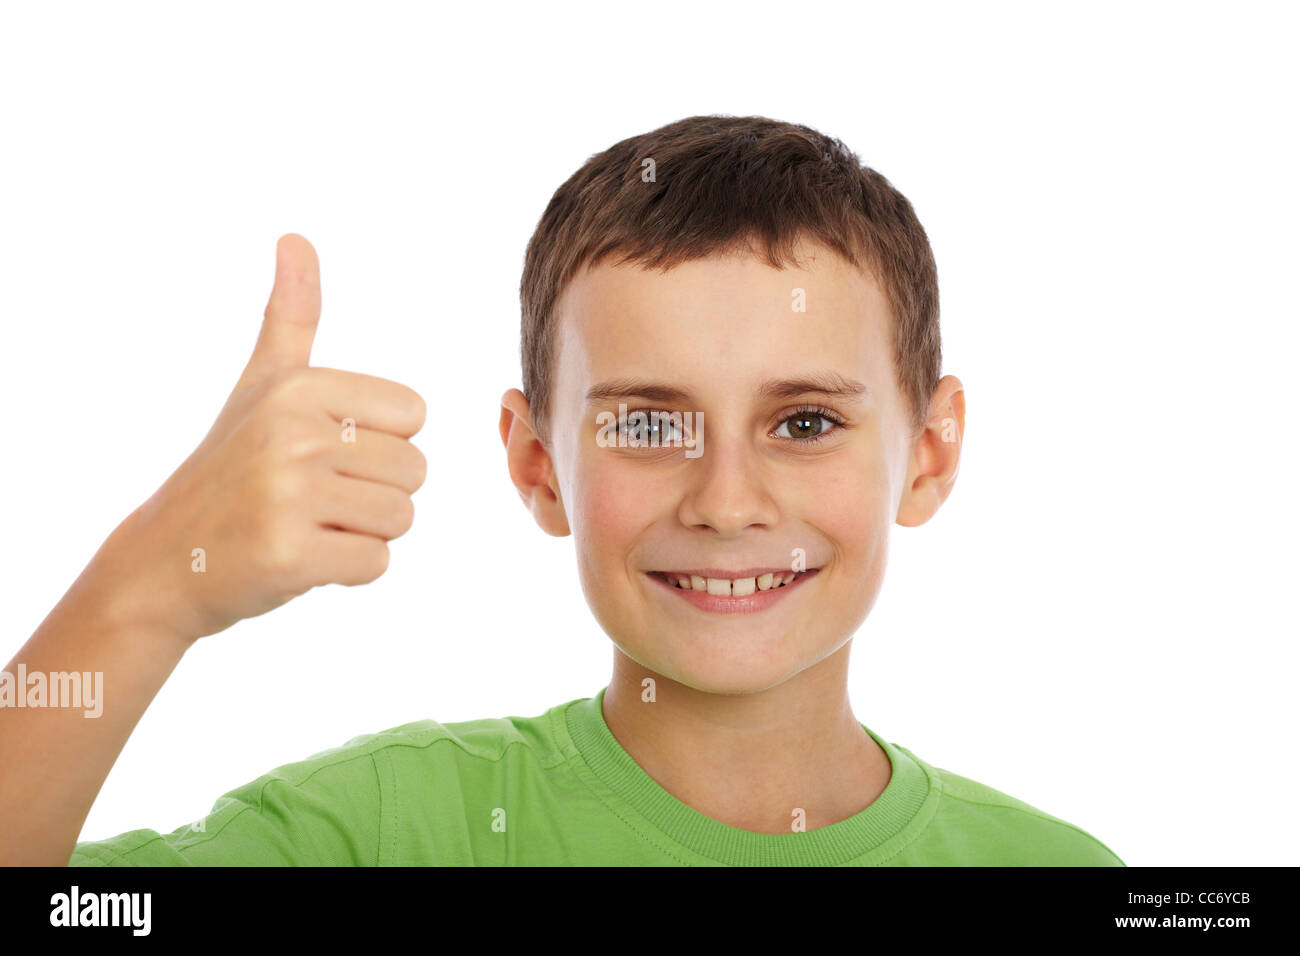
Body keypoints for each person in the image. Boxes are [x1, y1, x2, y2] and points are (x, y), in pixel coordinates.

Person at [1, 115, 1123, 865]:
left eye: (804, 421)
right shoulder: (389, 835)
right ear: (536, 462)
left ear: (928, 454)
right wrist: (150, 582)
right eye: (645, 422)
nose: (727, 501)